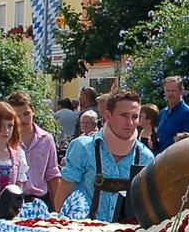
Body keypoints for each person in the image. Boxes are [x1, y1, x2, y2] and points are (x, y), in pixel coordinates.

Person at [51, 89, 154, 222]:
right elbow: (62, 198)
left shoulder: (145, 157)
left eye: (134, 117)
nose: (130, 123)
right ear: (107, 116)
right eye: (124, 115)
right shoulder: (83, 148)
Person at [5, 90, 61, 204]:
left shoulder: (46, 139)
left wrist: (58, 207)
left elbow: (52, 175)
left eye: (26, 114)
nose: (23, 119)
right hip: (13, 199)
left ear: (33, 111)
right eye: (17, 116)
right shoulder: (7, 140)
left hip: (40, 199)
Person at [155, 76, 189, 151]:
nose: (170, 94)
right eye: (168, 91)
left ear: (181, 91)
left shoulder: (187, 113)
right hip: (159, 159)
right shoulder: (163, 112)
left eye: (173, 91)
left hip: (176, 159)